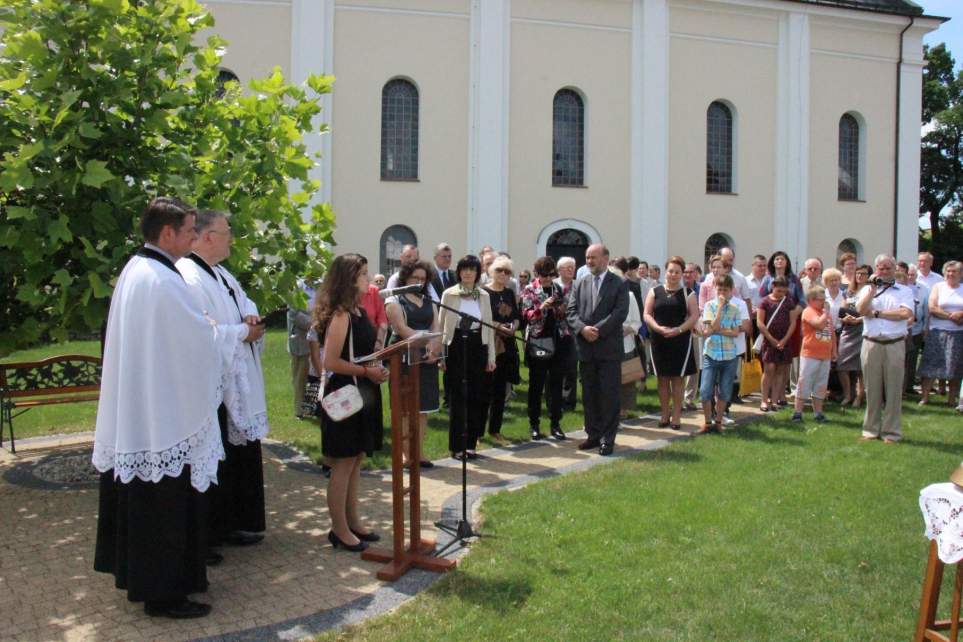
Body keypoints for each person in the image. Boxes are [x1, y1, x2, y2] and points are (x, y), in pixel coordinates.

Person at [93, 197, 261, 619]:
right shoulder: (162, 281)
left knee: (149, 503)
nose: (193, 237)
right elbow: (199, 341)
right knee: (165, 508)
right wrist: (238, 333)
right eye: (188, 230)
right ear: (166, 233)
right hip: (166, 418)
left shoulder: (138, 270)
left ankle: (152, 584)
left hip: (148, 409)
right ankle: (165, 594)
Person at [177, 210, 269, 549]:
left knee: (235, 457)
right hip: (210, 388)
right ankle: (210, 534)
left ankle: (231, 523)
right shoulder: (188, 275)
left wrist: (251, 316)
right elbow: (202, 333)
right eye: (226, 231)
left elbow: (244, 301)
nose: (231, 237)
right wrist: (243, 332)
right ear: (206, 236)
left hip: (234, 381)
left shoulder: (221, 273)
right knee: (212, 459)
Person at [317, 253, 389, 551]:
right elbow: (331, 361)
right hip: (345, 394)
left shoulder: (357, 311)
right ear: (349, 279)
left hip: (363, 391)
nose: (368, 279)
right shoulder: (341, 314)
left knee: (356, 459)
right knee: (343, 463)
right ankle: (339, 529)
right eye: (363, 274)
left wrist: (377, 361)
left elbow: (358, 351)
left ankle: (353, 520)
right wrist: (365, 371)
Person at [567, 244, 629, 455]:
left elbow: (619, 313)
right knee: (589, 394)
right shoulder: (580, 283)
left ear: (605, 258)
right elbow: (571, 312)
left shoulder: (619, 283)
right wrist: (583, 329)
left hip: (608, 349)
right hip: (586, 349)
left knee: (609, 395)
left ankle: (607, 439)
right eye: (587, 257)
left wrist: (598, 330)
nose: (589, 261)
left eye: (593, 257)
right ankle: (592, 435)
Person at [439, 255, 497, 459]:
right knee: (457, 398)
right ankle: (457, 446)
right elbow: (441, 325)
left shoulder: (483, 296)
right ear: (459, 272)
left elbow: (489, 328)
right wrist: (441, 355)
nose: (468, 273)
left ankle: (471, 443)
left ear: (477, 273)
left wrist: (491, 357)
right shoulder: (449, 294)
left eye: (472, 269)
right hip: (455, 346)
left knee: (476, 397)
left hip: (477, 346)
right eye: (464, 269)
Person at [385, 261, 442, 467]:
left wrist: (434, 350)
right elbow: (401, 328)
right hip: (403, 358)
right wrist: (425, 342)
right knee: (404, 408)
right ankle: (404, 454)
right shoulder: (394, 300)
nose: (418, 282)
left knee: (422, 408)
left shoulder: (429, 301)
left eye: (422, 279)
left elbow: (436, 326)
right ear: (405, 279)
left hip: (426, 359)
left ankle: (418, 452)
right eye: (414, 278)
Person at [855, 254, 914, 443]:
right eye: (880, 268)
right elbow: (861, 310)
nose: (884, 271)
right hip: (871, 344)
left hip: (894, 344)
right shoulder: (867, 289)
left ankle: (891, 432)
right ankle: (870, 430)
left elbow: (904, 313)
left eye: (888, 268)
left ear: (894, 269)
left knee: (893, 390)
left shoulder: (904, 291)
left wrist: (878, 313)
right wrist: (872, 291)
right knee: (872, 390)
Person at [644, 256, 699, 429]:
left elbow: (694, 316)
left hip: (680, 341)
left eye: (677, 272)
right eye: (670, 271)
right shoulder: (655, 291)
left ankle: (676, 416)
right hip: (659, 340)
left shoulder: (688, 294)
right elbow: (647, 314)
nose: (673, 275)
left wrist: (679, 330)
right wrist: (657, 328)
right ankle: (664, 414)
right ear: (665, 272)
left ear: (682, 274)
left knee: (677, 380)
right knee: (662, 379)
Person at [522, 256, 571, 441]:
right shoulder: (529, 290)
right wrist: (542, 308)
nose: (548, 279)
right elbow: (527, 315)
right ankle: (534, 424)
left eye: (551, 275)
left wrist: (560, 308)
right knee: (536, 385)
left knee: (556, 385)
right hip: (538, 341)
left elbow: (563, 314)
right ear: (537, 274)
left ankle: (555, 423)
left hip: (557, 341)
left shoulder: (557, 288)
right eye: (544, 275)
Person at [483, 255, 521, 444]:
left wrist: (514, 325)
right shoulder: (483, 293)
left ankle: (495, 429)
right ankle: (477, 432)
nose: (503, 274)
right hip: (488, 344)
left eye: (507, 272)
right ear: (491, 271)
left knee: (500, 390)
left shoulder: (508, 293)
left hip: (506, 346)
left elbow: (516, 315)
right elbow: (481, 318)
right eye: (500, 270)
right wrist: (498, 326)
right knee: (484, 391)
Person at [698, 274, 743, 434]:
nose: (722, 293)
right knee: (705, 391)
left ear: (731, 290)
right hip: (711, 354)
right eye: (720, 289)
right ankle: (707, 422)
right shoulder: (709, 306)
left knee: (725, 390)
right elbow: (710, 330)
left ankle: (718, 422)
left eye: (726, 289)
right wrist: (719, 309)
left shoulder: (735, 309)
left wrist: (718, 330)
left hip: (730, 355)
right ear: (715, 289)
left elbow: (736, 332)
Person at [919, 261, 963, 406]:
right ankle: (925, 397)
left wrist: (960, 314)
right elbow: (932, 308)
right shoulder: (938, 287)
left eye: (954, 271)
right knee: (931, 364)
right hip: (937, 332)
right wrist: (952, 316)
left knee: (954, 368)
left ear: (960, 274)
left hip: (958, 333)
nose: (951, 274)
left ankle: (951, 399)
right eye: (948, 271)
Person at [793, 285, 836, 423]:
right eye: (820, 299)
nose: (823, 302)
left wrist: (834, 350)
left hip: (825, 354)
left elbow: (832, 333)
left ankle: (818, 413)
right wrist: (826, 313)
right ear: (811, 300)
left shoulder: (825, 313)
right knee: (805, 382)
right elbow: (818, 324)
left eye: (824, 299)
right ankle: (797, 413)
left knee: (821, 385)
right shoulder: (808, 311)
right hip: (810, 353)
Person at [757, 276, 800, 411]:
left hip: (784, 341)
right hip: (769, 341)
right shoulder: (764, 301)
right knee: (769, 369)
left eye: (784, 291)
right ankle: (764, 400)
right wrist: (771, 339)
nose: (781, 293)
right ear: (773, 286)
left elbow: (793, 322)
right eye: (779, 290)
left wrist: (785, 340)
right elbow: (760, 322)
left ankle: (775, 401)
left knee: (781, 371)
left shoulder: (789, 302)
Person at [612, 264, 644, 419]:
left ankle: (623, 410)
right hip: (606, 345)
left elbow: (637, 322)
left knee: (626, 379)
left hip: (626, 343)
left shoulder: (629, 296)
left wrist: (628, 330)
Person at [837, 265, 870, 406]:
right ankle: (847, 394)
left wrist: (860, 319)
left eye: (863, 274)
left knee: (860, 367)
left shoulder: (870, 291)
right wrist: (844, 319)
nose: (859, 276)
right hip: (848, 330)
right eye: (857, 273)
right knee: (842, 364)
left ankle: (859, 396)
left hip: (863, 329)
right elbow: (842, 309)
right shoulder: (848, 292)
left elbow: (871, 312)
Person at [899, 261, 929, 395]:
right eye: (908, 275)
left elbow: (922, 311)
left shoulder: (919, 290)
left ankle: (905, 389)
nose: (910, 277)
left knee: (908, 362)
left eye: (913, 275)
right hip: (898, 330)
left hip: (913, 330)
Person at [554, 256, 579, 411]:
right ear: (559, 270)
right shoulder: (553, 285)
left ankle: (569, 401)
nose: (571, 270)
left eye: (573, 267)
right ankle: (554, 399)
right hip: (554, 332)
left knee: (571, 368)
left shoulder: (579, 285)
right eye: (567, 267)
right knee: (556, 368)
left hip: (573, 332)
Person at [287, 279, 315, 418]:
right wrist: (315, 323)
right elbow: (294, 314)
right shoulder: (296, 288)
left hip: (319, 339)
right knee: (300, 377)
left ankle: (314, 408)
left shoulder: (320, 286)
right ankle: (299, 410)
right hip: (300, 340)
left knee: (316, 376)